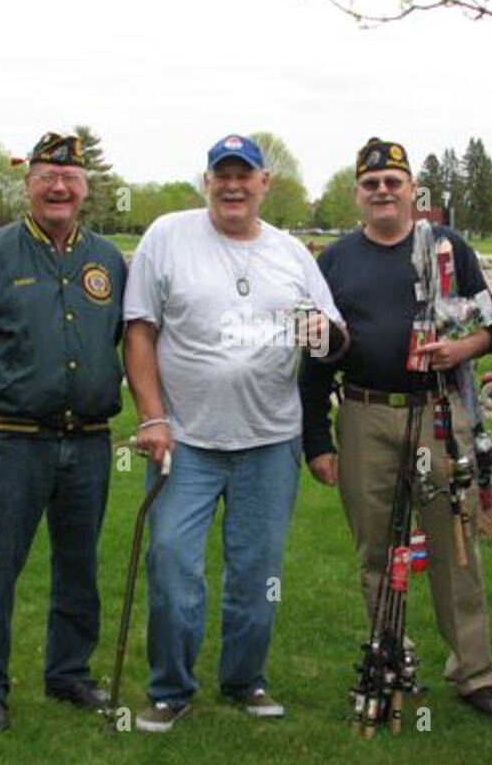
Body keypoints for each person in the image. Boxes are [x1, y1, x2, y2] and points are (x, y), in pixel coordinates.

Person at [123, 134, 347, 733]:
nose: (232, 185)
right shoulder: (166, 237)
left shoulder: (292, 253)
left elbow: (332, 336)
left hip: (271, 442)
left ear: (263, 183)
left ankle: (245, 679)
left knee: (258, 572)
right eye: (221, 174)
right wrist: (151, 417)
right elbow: (139, 331)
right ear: (206, 182)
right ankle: (170, 688)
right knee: (172, 562)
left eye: (244, 175)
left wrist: (319, 335)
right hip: (186, 441)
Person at [300, 137, 492, 720]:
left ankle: (474, 673)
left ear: (412, 189)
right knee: (377, 549)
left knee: (454, 543)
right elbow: (316, 354)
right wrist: (317, 440)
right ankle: (391, 661)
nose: (383, 191)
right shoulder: (335, 261)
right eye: (371, 184)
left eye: (393, 181)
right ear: (358, 194)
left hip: (439, 413)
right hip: (365, 415)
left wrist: (463, 345)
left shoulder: (448, 247)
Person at [0, 131, 127, 731]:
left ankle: (69, 674)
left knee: (79, 566)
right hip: (14, 443)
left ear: (85, 189)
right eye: (47, 175)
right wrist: (5, 403)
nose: (58, 185)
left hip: (91, 442)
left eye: (70, 177)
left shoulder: (108, 261)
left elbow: (120, 342)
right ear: (27, 185)